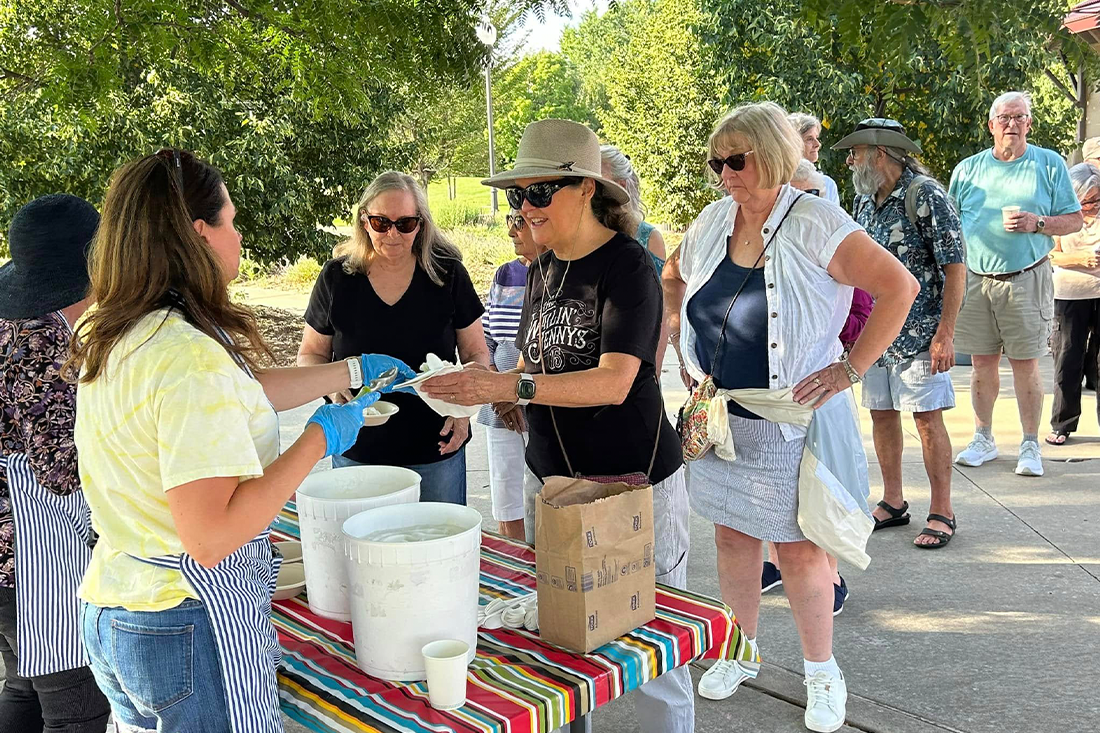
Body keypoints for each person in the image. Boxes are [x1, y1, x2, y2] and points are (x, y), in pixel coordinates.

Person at [69, 149, 413, 732]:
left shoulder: (121, 327)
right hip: (185, 619)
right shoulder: (187, 357)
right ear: (199, 234)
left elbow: (239, 392)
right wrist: (316, 441)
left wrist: (348, 372)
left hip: (116, 603)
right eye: (229, 219)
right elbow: (211, 536)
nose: (239, 232)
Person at [421, 119, 697, 733]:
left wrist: (506, 385)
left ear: (584, 190)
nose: (524, 208)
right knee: (567, 646)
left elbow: (616, 380)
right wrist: (470, 392)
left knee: (656, 648)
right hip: (558, 486)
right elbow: (531, 364)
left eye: (538, 193)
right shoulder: (544, 267)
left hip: (632, 485)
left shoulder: (627, 266)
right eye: (517, 196)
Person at [662, 102, 918, 732]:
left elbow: (899, 288)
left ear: (773, 156)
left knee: (799, 549)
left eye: (737, 160)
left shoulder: (814, 220)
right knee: (730, 536)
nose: (724, 173)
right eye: (717, 161)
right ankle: (738, 652)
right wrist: (679, 337)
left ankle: (823, 673)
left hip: (788, 419)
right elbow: (671, 274)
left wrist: (849, 369)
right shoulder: (715, 218)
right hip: (725, 416)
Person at [298, 171, 489, 503]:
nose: (393, 234)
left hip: (436, 444)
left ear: (421, 224)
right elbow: (310, 354)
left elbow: (477, 354)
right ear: (364, 221)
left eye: (405, 224)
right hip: (356, 445)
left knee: (437, 550)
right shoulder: (337, 278)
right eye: (381, 222)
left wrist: (463, 411)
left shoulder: (448, 274)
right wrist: (330, 387)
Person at [0, 195, 111, 732]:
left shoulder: (9, 326)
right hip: (29, 563)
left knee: (22, 685)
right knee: (78, 712)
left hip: (6, 560)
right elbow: (65, 470)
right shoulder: (43, 344)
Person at [834, 118, 967, 549]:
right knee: (882, 415)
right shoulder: (864, 198)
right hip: (876, 335)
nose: (850, 159)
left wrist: (945, 332)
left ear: (881, 153)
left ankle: (942, 510)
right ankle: (893, 501)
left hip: (921, 334)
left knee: (927, 421)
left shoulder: (924, 193)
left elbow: (955, 268)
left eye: (856, 151)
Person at [949, 91, 1084, 477]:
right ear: (991, 125)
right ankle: (983, 438)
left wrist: (1037, 223)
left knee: (1026, 365)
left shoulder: (1049, 164)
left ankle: (1029, 444)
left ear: (1029, 123)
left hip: (1027, 277)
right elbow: (951, 225)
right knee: (981, 364)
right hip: (976, 279)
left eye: (1019, 117)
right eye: (1004, 118)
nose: (1011, 124)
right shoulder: (968, 169)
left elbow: (1074, 220)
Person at [475, 209, 545, 539]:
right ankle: (514, 574)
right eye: (511, 221)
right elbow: (485, 338)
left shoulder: (562, 274)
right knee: (506, 497)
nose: (512, 232)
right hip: (500, 407)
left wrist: (511, 391)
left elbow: (547, 346)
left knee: (546, 498)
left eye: (520, 222)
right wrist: (495, 386)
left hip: (541, 403)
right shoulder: (505, 275)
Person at [601, 144, 674, 371]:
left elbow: (660, 312)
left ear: (621, 186)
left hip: (637, 357)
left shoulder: (648, 237)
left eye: (599, 181)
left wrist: (655, 372)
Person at [1047, 163, 1100, 445]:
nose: (1092, 206)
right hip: (1069, 295)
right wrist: (1079, 260)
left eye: (1096, 199)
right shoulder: (1061, 216)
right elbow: (1049, 256)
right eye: (1086, 201)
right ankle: (1062, 424)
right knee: (1067, 359)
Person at [788, 112, 840, 205]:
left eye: (817, 138)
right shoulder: (779, 182)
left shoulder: (828, 184)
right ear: (792, 143)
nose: (817, 144)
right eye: (809, 139)